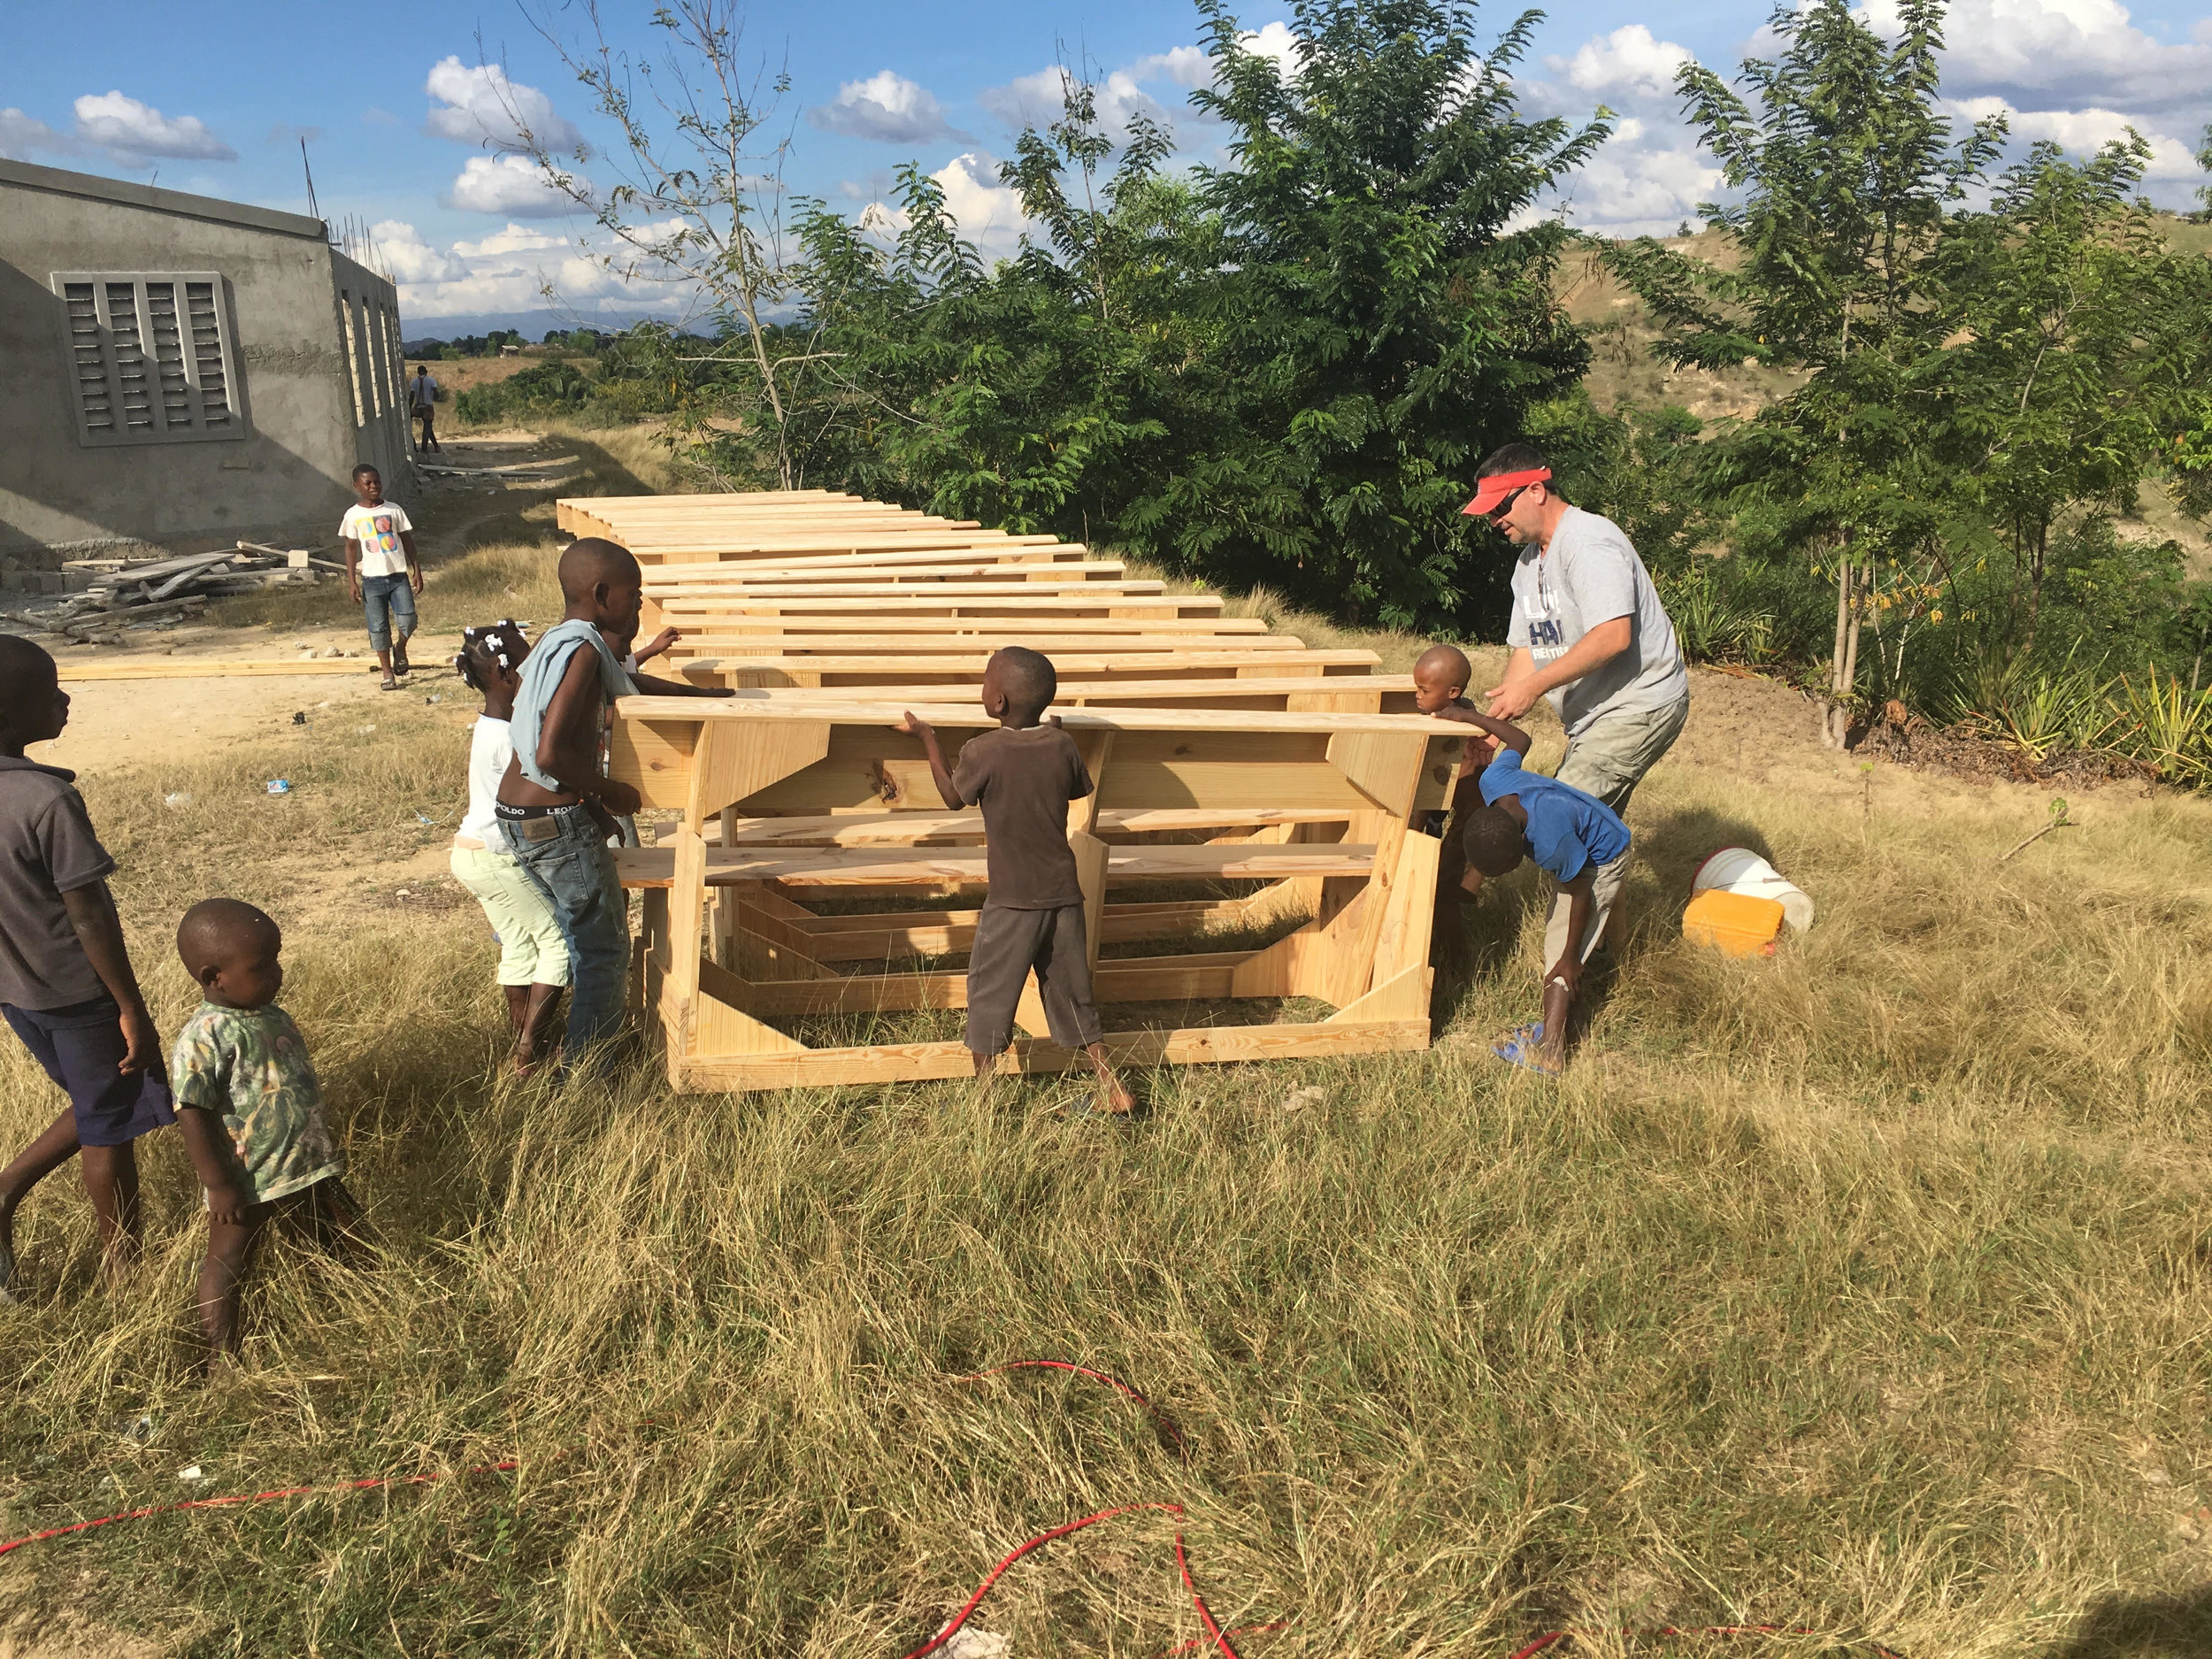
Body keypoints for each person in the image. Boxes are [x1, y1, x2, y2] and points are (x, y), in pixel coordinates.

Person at [0, 638, 173, 1301]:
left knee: (96, 1097)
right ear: (12, 719)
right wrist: (129, 1005)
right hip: (77, 991)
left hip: (18, 993)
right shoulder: (47, 802)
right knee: (111, 1124)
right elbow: (91, 917)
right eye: (49, 693)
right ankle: (126, 1273)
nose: (64, 700)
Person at [897, 648, 1135, 1116]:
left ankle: (984, 1102)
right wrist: (1054, 736)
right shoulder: (1061, 745)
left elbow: (952, 797)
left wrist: (927, 736)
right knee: (1072, 990)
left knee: (990, 991)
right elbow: (1070, 786)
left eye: (986, 682)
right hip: (1064, 894)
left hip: (1012, 901)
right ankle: (1113, 1086)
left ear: (999, 702)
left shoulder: (982, 750)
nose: (982, 689)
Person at [1466, 444, 1687, 947]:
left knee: (1559, 819)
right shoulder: (1527, 565)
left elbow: (1614, 636)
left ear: (1537, 490)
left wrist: (1536, 687)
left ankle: (1561, 993)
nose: (1494, 522)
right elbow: (1528, 647)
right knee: (1595, 826)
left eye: (1501, 508)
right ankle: (1616, 953)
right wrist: (1495, 720)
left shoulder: (1589, 542)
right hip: (1595, 718)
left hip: (1638, 705)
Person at [169, 899, 357, 1364]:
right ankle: (220, 1358)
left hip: (304, 1161)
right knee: (230, 1260)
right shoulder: (205, 1035)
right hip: (248, 1177)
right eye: (261, 965)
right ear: (214, 977)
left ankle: (355, 1313)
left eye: (277, 958)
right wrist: (218, 1184)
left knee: (339, 1233)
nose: (275, 972)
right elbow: (190, 1112)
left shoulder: (270, 1013)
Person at [494, 539, 649, 1065]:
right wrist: (615, 794)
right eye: (634, 594)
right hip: (552, 815)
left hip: (519, 814)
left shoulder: (554, 642)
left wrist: (593, 809)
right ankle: (587, 1073)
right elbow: (552, 752)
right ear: (603, 595)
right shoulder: (582, 651)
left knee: (578, 937)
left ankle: (563, 1050)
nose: (640, 605)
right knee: (603, 952)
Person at [1431, 702, 1631, 1077]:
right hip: (1583, 824)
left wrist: (1571, 955)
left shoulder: (1551, 842)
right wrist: (1470, 718)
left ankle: (1551, 1051)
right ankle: (1565, 1024)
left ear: (1525, 845)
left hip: (1601, 858)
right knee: (1571, 942)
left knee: (1560, 949)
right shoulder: (1495, 783)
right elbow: (1520, 739)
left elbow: (1582, 890)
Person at [451, 624, 570, 1075]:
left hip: (471, 852)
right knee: (556, 941)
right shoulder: (508, 735)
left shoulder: (489, 725)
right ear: (505, 672)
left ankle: (523, 1044)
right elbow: (534, 794)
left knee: (520, 945)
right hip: (496, 854)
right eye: (529, 668)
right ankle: (529, 1050)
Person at [339, 465, 424, 691]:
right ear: (356, 486)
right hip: (371, 580)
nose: (374, 486)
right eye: (367, 483)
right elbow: (350, 548)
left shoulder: (394, 510)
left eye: (377, 482)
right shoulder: (353, 515)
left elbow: (407, 541)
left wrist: (416, 570)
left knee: (408, 619)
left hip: (398, 577)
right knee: (378, 628)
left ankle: (401, 647)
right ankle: (387, 673)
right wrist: (351, 581)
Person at [409, 365, 442, 454]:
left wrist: (409, 408)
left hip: (418, 407)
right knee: (427, 426)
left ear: (418, 372)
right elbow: (435, 393)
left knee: (428, 428)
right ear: (426, 372)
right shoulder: (431, 380)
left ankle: (436, 446)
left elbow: (412, 395)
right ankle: (424, 449)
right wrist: (437, 397)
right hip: (428, 407)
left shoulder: (414, 382)